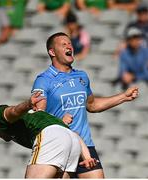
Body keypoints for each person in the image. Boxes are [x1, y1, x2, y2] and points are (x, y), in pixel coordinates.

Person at [31, 32, 139, 178]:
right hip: (59, 146)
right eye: (63, 44)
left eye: (69, 43)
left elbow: (92, 105)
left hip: (85, 145)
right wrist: (58, 122)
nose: (69, 46)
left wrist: (123, 97)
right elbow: (38, 116)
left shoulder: (81, 76)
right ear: (52, 52)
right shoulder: (43, 80)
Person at [0, 92, 97, 178]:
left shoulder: (0, 118)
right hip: (72, 140)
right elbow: (72, 134)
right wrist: (87, 157)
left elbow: (13, 111)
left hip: (51, 136)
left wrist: (28, 104)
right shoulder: (40, 118)